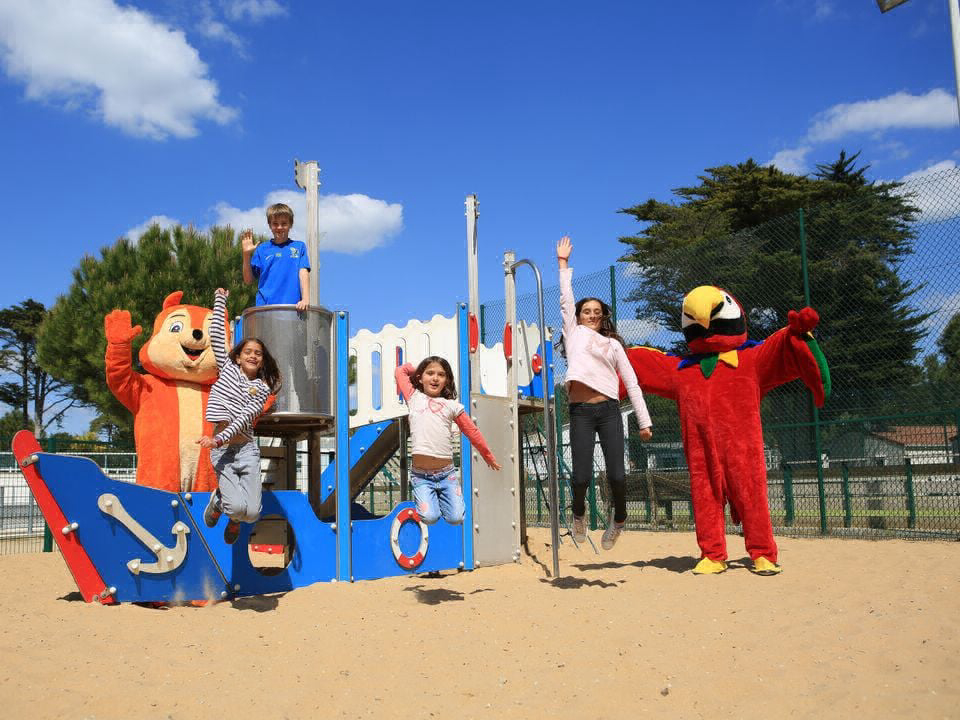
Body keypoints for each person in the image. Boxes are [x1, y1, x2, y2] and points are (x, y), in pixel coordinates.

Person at [556, 235, 653, 550]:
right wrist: (563, 264)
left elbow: (632, 381)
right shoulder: (573, 334)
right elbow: (566, 298)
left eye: (597, 311)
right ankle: (579, 513)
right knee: (581, 476)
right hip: (581, 412)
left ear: (604, 316)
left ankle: (620, 518)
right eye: (587, 311)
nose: (593, 315)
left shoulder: (613, 345)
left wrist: (643, 421)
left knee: (618, 476)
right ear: (579, 316)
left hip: (609, 410)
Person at [199, 288, 281, 544]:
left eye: (258, 353)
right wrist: (220, 300)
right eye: (248, 351)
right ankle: (221, 504)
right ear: (237, 356)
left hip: (244, 449)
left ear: (262, 361)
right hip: (222, 452)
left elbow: (244, 418)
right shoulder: (227, 368)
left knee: (253, 512)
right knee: (236, 508)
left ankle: (233, 516)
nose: (253, 355)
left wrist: (220, 438)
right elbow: (215, 335)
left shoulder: (262, 389)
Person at [395, 356, 501, 525]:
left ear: (447, 380)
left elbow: (471, 431)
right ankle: (428, 504)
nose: (435, 378)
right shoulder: (414, 397)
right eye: (430, 373)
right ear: (420, 378)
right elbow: (400, 371)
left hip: (447, 475)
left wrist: (486, 454)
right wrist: (418, 370)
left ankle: (441, 501)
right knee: (430, 517)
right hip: (421, 476)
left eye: (441, 374)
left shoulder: (452, 405)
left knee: (456, 518)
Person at [241, 202, 310, 310]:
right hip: (265, 309)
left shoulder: (299, 246)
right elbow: (248, 280)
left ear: (290, 224)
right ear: (269, 225)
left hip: (293, 309)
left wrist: (305, 299)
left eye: (284, 223)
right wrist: (246, 255)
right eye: (275, 223)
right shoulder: (262, 249)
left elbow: (303, 272)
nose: (279, 227)